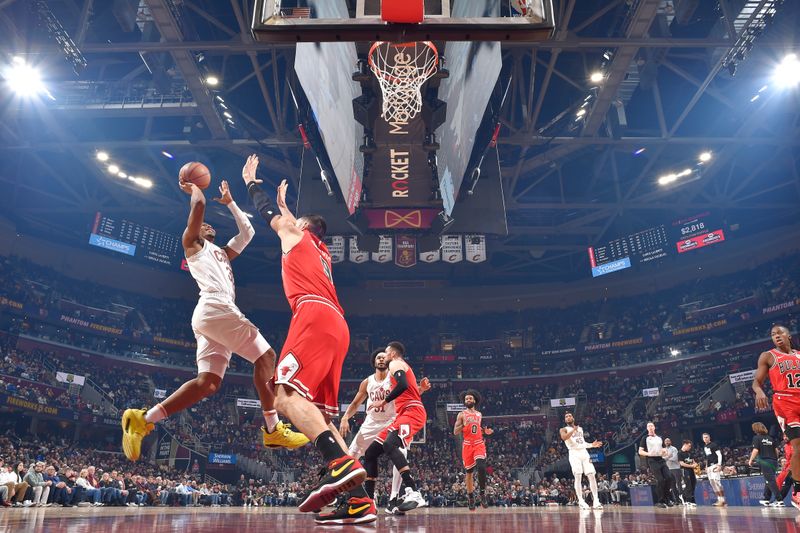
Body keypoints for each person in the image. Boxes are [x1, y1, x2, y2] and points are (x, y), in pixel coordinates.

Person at [121, 176, 306, 461]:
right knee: (267, 357)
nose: (209, 226)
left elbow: (247, 232)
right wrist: (194, 187)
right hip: (216, 306)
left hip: (210, 316)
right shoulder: (193, 244)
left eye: (210, 225)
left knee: (208, 383)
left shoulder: (222, 253)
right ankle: (272, 429)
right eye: (205, 225)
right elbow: (199, 206)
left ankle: (144, 418)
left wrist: (231, 202)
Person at [242, 155, 374, 525]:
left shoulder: (294, 233)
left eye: (293, 221)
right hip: (337, 324)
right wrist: (289, 209)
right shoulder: (321, 249)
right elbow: (290, 220)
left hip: (312, 315)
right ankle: (360, 501)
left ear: (301, 226)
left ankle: (340, 463)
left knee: (283, 396)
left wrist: (253, 183)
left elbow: (270, 215)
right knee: (320, 415)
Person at [339, 349, 430, 515]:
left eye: (384, 356)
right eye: (379, 357)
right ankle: (360, 497)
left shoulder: (394, 373)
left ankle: (396, 497)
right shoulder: (367, 382)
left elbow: (406, 389)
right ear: (374, 361)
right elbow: (354, 403)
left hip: (393, 419)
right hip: (371, 422)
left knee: (400, 450)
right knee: (355, 456)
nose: (382, 359)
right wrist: (345, 418)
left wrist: (420, 390)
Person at [363, 341, 428, 513]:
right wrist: (420, 390)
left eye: (385, 353)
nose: (384, 356)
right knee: (370, 453)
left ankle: (413, 491)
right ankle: (369, 502)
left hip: (412, 412)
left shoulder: (396, 363)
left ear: (392, 353)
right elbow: (408, 391)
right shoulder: (400, 366)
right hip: (402, 414)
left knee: (390, 444)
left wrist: (383, 401)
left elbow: (403, 385)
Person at [753, 324, 800, 509]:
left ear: (788, 335)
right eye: (773, 334)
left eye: (780, 332)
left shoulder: (798, 355)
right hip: (785, 402)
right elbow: (756, 381)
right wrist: (759, 392)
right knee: (798, 447)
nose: (776, 336)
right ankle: (797, 492)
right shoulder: (768, 356)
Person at [453, 389, 494, 511]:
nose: (468, 400)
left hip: (478, 443)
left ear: (474, 400)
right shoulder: (461, 414)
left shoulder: (479, 414)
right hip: (467, 445)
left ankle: (482, 494)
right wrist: (464, 424)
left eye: (470, 398)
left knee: (481, 467)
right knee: (469, 473)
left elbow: (476, 429)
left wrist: (485, 432)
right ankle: (471, 497)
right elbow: (455, 431)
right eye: (466, 399)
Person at [560, 411, 603, 510]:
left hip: (584, 452)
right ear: (565, 420)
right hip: (574, 453)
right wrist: (572, 430)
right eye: (566, 416)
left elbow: (582, 443)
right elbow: (564, 438)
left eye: (570, 416)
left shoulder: (580, 429)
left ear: (573, 418)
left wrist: (592, 445)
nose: (568, 417)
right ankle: (581, 501)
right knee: (578, 476)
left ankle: (596, 500)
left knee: (591, 475)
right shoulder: (563, 429)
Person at [638, 422, 673, 508]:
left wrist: (664, 452)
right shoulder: (644, 438)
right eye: (648, 426)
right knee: (660, 480)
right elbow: (640, 451)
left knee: (669, 477)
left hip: (661, 459)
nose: (650, 427)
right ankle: (660, 501)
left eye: (651, 426)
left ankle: (667, 498)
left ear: (654, 427)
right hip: (652, 460)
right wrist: (648, 454)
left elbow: (663, 449)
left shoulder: (659, 437)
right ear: (647, 428)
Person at [749, 422, 782, 507]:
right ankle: (766, 499)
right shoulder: (770, 438)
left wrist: (751, 460)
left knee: (770, 480)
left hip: (765, 461)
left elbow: (755, 450)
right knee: (769, 480)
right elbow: (777, 451)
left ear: (756, 429)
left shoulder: (756, 438)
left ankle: (779, 500)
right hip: (773, 461)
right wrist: (775, 459)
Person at [701, 432, 726, 507]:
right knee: (712, 483)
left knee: (717, 482)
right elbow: (707, 458)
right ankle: (719, 499)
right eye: (704, 437)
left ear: (709, 438)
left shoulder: (714, 445)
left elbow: (719, 455)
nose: (705, 439)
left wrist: (719, 465)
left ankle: (723, 499)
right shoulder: (705, 446)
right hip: (709, 467)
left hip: (715, 465)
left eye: (706, 437)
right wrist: (706, 466)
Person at [677, 440, 697, 506]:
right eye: (689, 446)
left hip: (691, 470)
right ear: (685, 445)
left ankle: (686, 496)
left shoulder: (689, 453)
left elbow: (693, 460)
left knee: (693, 483)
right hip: (685, 470)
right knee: (688, 485)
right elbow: (681, 463)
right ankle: (688, 500)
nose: (690, 447)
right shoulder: (679, 453)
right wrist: (691, 466)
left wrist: (695, 464)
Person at [663, 438, 681, 505]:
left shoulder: (674, 449)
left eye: (668, 441)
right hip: (668, 469)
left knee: (679, 484)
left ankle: (683, 499)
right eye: (666, 441)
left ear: (670, 441)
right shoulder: (663, 450)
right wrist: (669, 457)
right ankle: (677, 500)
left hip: (676, 468)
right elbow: (662, 459)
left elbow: (675, 458)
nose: (667, 442)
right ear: (664, 442)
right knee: (672, 486)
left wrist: (666, 458)